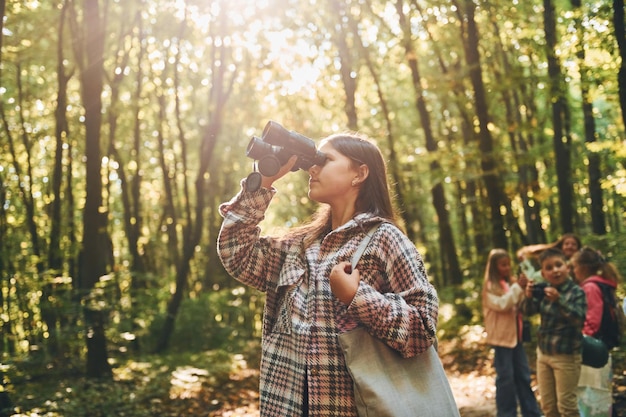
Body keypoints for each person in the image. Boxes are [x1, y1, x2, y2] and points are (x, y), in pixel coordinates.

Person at [217, 132, 439, 416]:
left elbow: (422, 331)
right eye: (314, 161)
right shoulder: (299, 245)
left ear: (359, 174)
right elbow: (235, 253)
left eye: (326, 160)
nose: (313, 168)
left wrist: (357, 297)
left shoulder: (386, 239)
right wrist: (264, 181)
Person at [522, 247, 587, 417]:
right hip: (544, 355)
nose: (555, 270)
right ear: (543, 273)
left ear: (567, 267)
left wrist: (559, 301)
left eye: (558, 265)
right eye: (549, 268)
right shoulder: (544, 290)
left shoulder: (576, 292)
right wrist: (528, 296)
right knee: (548, 407)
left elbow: (579, 319)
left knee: (567, 407)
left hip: (566, 357)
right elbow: (527, 312)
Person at [481, 248, 542, 417]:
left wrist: (524, 286)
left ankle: (531, 411)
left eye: (508, 264)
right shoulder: (490, 287)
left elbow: (520, 302)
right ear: (494, 267)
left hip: (517, 337)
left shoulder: (510, 283)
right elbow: (501, 304)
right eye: (503, 265)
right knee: (506, 379)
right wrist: (517, 288)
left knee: (523, 375)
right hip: (502, 339)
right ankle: (506, 413)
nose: (507, 268)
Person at [570, 247, 622, 417]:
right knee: (600, 394)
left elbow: (592, 320)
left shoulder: (590, 287)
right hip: (601, 348)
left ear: (584, 267)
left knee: (592, 395)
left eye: (575, 267)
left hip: (592, 351)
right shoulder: (602, 284)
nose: (573, 271)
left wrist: (580, 341)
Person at [517, 233, 583, 281]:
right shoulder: (553, 262)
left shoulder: (582, 265)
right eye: (566, 244)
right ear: (561, 246)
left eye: (574, 244)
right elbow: (534, 278)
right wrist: (525, 262)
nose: (570, 246)